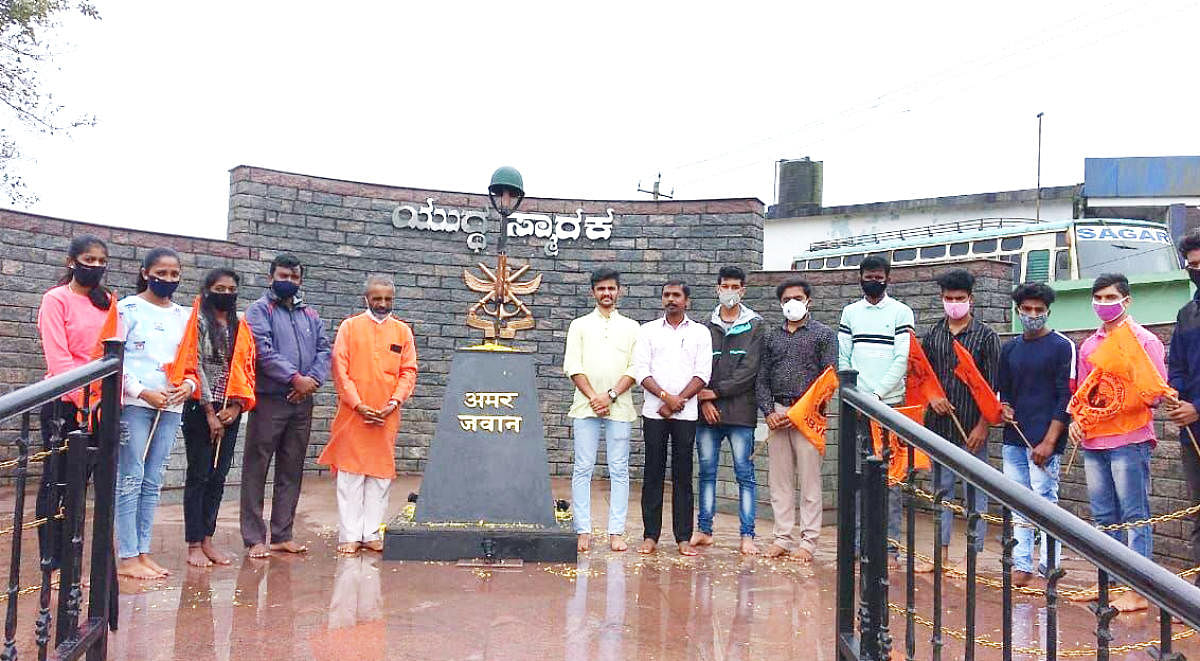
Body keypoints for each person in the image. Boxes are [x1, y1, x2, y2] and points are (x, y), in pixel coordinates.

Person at [1069, 272, 1165, 613]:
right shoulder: (1089, 345)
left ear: (1127, 300)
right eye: (1099, 298)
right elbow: (1083, 393)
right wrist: (1077, 421)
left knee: (1135, 515)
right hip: (1095, 442)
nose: (1105, 304)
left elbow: (1156, 395)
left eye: (1111, 298)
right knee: (1103, 515)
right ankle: (1107, 582)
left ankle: (1138, 588)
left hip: (1129, 438)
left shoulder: (1145, 342)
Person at [318, 275, 417, 555]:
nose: (382, 304)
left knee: (380, 477)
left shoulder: (403, 332)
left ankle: (371, 533)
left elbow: (408, 371)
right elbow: (340, 369)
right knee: (350, 476)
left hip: (387, 414)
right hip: (353, 414)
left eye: (387, 299)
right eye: (377, 298)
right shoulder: (350, 327)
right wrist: (358, 404)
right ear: (366, 299)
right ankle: (349, 536)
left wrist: (394, 401)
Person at [241, 254, 332, 558]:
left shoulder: (311, 315)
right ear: (271, 278)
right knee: (257, 468)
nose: (288, 282)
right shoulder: (259, 310)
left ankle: (282, 534)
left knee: (291, 469)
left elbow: (323, 350)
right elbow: (262, 352)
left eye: (294, 278)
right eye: (283, 276)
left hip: (302, 402)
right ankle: (255, 538)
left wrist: (311, 383)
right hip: (269, 399)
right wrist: (294, 379)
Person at [36, 235, 116, 569]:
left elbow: (114, 350)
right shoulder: (56, 299)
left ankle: (73, 560)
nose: (95, 266)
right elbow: (58, 357)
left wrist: (102, 399)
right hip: (65, 404)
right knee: (56, 481)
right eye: (88, 259)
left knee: (83, 486)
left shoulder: (108, 301)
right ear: (72, 262)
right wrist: (81, 399)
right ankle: (50, 561)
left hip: (101, 406)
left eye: (101, 261)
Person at [117, 247, 196, 579]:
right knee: (130, 477)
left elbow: (192, 362)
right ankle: (126, 556)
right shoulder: (126, 309)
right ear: (145, 272)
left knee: (153, 479)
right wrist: (141, 391)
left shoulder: (184, 315)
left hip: (172, 405)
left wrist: (188, 387)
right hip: (136, 405)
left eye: (173, 274)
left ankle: (143, 551)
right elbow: (111, 360)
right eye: (160, 273)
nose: (167, 279)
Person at [837, 255, 917, 570]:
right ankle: (856, 546)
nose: (874, 279)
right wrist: (856, 396)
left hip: (889, 407)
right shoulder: (850, 312)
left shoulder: (901, 312)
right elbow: (844, 355)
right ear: (861, 278)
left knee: (891, 481)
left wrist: (876, 396)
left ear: (887, 278)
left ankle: (890, 548)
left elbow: (902, 359)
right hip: (856, 408)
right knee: (857, 479)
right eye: (868, 275)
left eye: (879, 275)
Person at [996, 282, 1075, 587]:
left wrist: (1049, 441)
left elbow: (1065, 397)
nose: (1032, 314)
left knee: (1045, 500)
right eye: (1026, 309)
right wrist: (1004, 408)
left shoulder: (1062, 346)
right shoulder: (1010, 349)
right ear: (1018, 311)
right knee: (1018, 502)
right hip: (1014, 440)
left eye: (1038, 310)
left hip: (1045, 441)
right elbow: (1003, 393)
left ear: (1048, 311)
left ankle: (1050, 564)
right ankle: (1022, 563)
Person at [922, 268, 1000, 566]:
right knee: (941, 492)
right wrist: (932, 398)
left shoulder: (986, 337)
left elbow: (992, 387)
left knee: (974, 495)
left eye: (960, 298)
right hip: (940, 427)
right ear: (942, 299)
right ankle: (939, 555)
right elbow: (923, 377)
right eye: (948, 298)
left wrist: (983, 425)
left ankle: (972, 557)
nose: (954, 303)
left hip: (972, 428)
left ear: (971, 299)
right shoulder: (933, 335)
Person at [756, 278, 836, 561]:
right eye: (787, 298)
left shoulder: (824, 335)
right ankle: (782, 538)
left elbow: (829, 378)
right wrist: (769, 412)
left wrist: (801, 411)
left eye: (798, 297)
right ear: (780, 303)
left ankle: (808, 542)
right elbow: (761, 378)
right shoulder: (770, 337)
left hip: (808, 415)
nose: (793, 302)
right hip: (778, 413)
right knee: (779, 482)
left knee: (810, 481)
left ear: (808, 301)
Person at [631, 280, 712, 556]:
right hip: (655, 413)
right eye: (667, 295)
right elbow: (641, 371)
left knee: (683, 476)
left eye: (676, 295)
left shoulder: (700, 333)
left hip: (686, 415)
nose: (671, 299)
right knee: (652, 473)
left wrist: (680, 401)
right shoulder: (648, 331)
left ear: (686, 301)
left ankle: (682, 538)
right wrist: (667, 398)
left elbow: (703, 373)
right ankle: (650, 535)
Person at [562, 268, 638, 553]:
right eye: (601, 289)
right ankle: (583, 530)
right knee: (583, 468)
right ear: (593, 292)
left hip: (619, 409)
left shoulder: (632, 327)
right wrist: (595, 397)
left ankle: (615, 532)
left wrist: (611, 395)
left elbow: (635, 367)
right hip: (585, 407)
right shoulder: (579, 325)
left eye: (611, 289)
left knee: (619, 469)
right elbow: (573, 365)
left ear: (619, 291)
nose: (607, 293)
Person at [180, 268, 250, 567]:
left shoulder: (241, 324)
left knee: (219, 476)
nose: (226, 293)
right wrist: (210, 411)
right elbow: (193, 364)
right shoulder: (196, 321)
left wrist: (235, 407)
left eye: (231, 288)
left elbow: (246, 367)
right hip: (200, 407)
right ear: (207, 289)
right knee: (199, 475)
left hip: (230, 408)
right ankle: (194, 543)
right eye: (219, 288)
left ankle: (209, 538)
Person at [692, 266, 763, 555]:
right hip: (706, 413)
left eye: (735, 286)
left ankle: (748, 535)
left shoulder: (756, 325)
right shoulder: (703, 326)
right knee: (706, 472)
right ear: (716, 288)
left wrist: (717, 393)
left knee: (744, 474)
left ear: (743, 290)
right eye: (725, 286)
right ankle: (704, 529)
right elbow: (697, 367)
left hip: (741, 414)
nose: (729, 292)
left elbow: (749, 370)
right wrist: (705, 400)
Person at [1167, 230, 1200, 587]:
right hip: (1191, 431)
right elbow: (1176, 364)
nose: (1197, 270)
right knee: (1198, 512)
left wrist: (1199, 407)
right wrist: (1175, 394)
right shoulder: (1187, 313)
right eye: (1192, 266)